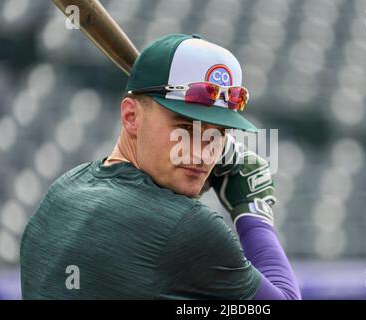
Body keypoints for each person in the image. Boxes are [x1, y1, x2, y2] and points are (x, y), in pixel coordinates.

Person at [20, 33, 301, 300]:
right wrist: (252, 208)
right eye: (185, 128)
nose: (203, 153)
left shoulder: (64, 188)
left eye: (218, 134)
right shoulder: (187, 227)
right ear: (131, 116)